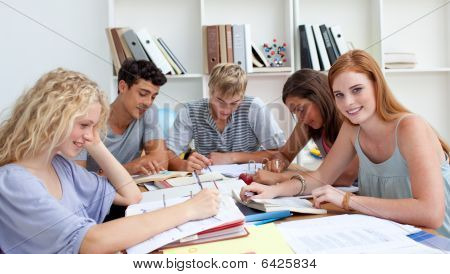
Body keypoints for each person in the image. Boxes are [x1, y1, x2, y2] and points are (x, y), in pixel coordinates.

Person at [0, 68, 220, 253]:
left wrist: (94, 142)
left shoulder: (60, 166)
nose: (89, 134)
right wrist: (189, 209)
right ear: (53, 118)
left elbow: (131, 195)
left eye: (94, 127)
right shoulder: (14, 181)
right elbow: (90, 241)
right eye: (84, 125)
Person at [241, 50, 450, 238]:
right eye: (339, 95)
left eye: (357, 90)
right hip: (393, 233)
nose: (348, 103)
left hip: (436, 241)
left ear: (377, 85)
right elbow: (322, 177)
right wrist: (273, 191)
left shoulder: (410, 127)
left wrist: (347, 200)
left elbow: (431, 214)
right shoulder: (353, 128)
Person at [167, 63, 286, 172]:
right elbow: (168, 154)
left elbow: (280, 153)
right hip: (208, 181)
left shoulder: (254, 108)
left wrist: (231, 157)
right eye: (220, 101)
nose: (226, 110)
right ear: (210, 90)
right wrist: (183, 165)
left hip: (251, 179)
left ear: (242, 96)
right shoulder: (189, 111)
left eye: (234, 103)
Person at [254, 69, 358, 186]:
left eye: (301, 109)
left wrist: (279, 177)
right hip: (332, 189)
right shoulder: (308, 122)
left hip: (358, 192)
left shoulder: (350, 120)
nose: (300, 118)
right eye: (295, 112)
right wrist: (278, 163)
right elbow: (285, 154)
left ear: (318, 96)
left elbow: (345, 178)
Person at [75, 59, 169, 176]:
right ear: (123, 87)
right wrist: (131, 168)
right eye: (143, 94)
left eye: (153, 97)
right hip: (94, 191)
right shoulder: (91, 120)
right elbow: (77, 178)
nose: (148, 102)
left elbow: (161, 161)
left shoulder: (147, 113)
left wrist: (114, 172)